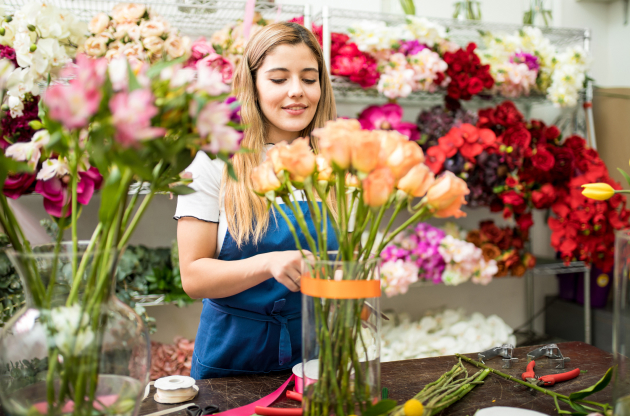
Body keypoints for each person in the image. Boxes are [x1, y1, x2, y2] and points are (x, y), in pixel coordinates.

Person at [174, 22, 338, 379]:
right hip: (232, 356)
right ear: (253, 84)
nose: (297, 92)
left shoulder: (337, 161)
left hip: (316, 352)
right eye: (279, 79)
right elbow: (193, 276)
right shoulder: (214, 161)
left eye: (309, 79)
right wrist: (269, 263)